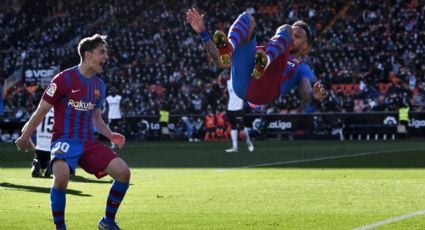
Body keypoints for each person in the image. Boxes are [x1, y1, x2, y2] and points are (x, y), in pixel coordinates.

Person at [15, 34, 130, 230]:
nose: (107, 56)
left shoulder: (99, 86)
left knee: (123, 173)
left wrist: (110, 135)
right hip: (64, 139)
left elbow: (96, 118)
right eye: (102, 52)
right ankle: (60, 227)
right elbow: (42, 109)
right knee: (61, 177)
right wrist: (26, 135)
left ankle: (107, 222)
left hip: (88, 142)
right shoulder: (63, 79)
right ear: (87, 54)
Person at [186, 8, 327, 109]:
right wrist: (202, 32)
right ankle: (230, 47)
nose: (292, 38)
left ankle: (266, 63)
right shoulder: (260, 50)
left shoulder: (301, 67)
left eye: (298, 37)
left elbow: (305, 90)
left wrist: (312, 96)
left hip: (263, 93)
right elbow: (220, 63)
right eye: (292, 34)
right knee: (247, 18)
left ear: (305, 46)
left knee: (286, 28)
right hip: (241, 86)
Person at [225, 78, 254, 153]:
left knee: (241, 127)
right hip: (230, 108)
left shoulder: (242, 81)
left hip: (238, 108)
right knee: (233, 126)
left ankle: (248, 141)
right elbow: (228, 95)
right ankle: (235, 147)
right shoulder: (228, 82)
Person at [30, 108, 54, 177]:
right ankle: (50, 166)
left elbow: (25, 130)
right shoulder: (58, 112)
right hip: (52, 150)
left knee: (38, 159)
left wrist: (33, 146)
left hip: (39, 149)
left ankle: (36, 163)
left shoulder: (39, 113)